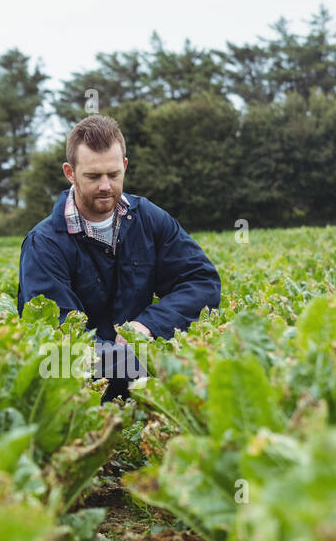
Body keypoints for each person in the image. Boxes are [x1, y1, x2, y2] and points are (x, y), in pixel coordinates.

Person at [16, 115, 222, 402]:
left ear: (125, 165)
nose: (105, 186)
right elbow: (58, 340)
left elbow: (203, 282)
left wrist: (149, 325)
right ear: (70, 172)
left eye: (113, 175)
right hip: (79, 394)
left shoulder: (148, 219)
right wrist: (142, 367)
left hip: (144, 380)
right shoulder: (45, 244)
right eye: (93, 176)